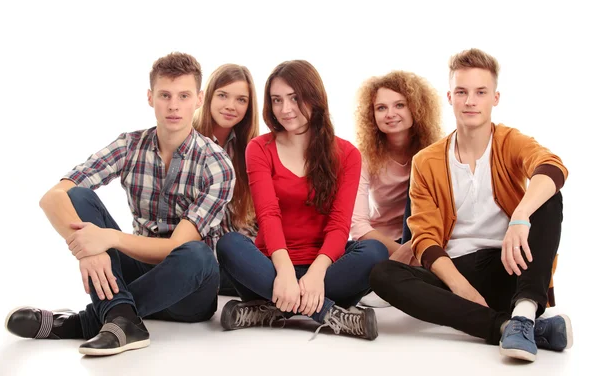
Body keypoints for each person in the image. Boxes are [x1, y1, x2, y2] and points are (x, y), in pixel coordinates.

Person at [5, 52, 235, 356]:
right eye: (165, 95)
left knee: (198, 255)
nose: (174, 105)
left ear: (199, 99)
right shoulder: (130, 145)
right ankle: (122, 319)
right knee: (78, 196)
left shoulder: (217, 164)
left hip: (189, 290)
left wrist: (107, 239)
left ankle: (85, 322)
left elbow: (173, 248)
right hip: (135, 270)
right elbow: (53, 197)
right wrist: (87, 250)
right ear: (151, 98)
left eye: (183, 95)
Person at [369, 48, 572, 361]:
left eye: (480, 92)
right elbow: (425, 237)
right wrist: (460, 287)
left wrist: (519, 217)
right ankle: (513, 327)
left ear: (495, 98)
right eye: (462, 92)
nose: (470, 101)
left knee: (548, 195)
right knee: (383, 273)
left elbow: (552, 166)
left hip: (511, 266)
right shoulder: (426, 161)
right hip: (455, 270)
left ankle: (524, 310)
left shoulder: (509, 141)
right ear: (450, 97)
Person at [216, 60, 388, 340]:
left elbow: (339, 223)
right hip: (270, 269)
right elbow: (268, 215)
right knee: (229, 245)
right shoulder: (259, 148)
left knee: (375, 252)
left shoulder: (347, 154)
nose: (285, 109)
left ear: (315, 98)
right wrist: (284, 272)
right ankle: (329, 314)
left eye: (295, 98)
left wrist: (316, 274)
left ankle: (270, 310)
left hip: (327, 272)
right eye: (277, 100)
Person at [351, 70, 443, 307]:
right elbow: (358, 224)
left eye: (399, 105)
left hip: (426, 236)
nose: (390, 114)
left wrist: (419, 248)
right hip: (383, 242)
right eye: (381, 108)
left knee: (420, 171)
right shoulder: (363, 158)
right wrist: (403, 254)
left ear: (416, 108)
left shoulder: (436, 151)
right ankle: (400, 277)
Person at [194, 63, 259, 296]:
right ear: (208, 96)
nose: (231, 106)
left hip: (243, 254)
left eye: (241, 100)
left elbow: (258, 216)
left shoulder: (250, 149)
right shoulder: (188, 142)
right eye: (223, 95)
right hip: (204, 260)